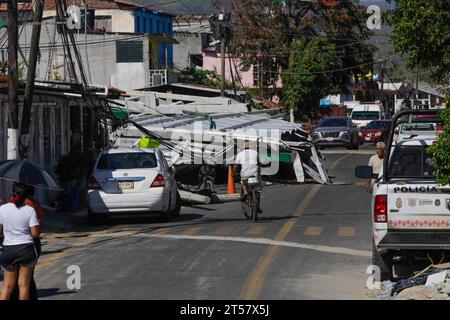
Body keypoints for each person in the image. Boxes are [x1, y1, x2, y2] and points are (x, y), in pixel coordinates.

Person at [0, 183, 40, 300]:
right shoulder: (30, 210)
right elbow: (35, 234)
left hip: (8, 250)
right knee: (23, 285)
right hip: (26, 250)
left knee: (7, 286)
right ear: (26, 196)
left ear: (12, 193)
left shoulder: (2, 209)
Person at [233, 141, 263, 214]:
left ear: (243, 147)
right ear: (251, 147)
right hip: (254, 173)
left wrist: (233, 173)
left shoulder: (240, 154)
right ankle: (258, 207)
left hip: (245, 174)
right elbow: (259, 164)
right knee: (257, 190)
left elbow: (236, 166)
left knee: (243, 182)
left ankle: (245, 192)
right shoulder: (255, 152)